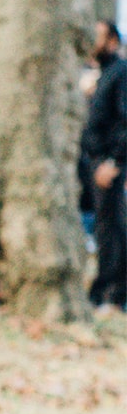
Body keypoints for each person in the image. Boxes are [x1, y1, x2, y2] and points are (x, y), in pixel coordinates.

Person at [80, 20, 127, 312]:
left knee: (113, 229)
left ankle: (114, 292)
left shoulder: (121, 73)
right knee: (104, 228)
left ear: (111, 40)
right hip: (95, 161)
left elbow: (124, 121)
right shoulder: (104, 74)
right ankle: (103, 289)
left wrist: (114, 162)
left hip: (109, 164)